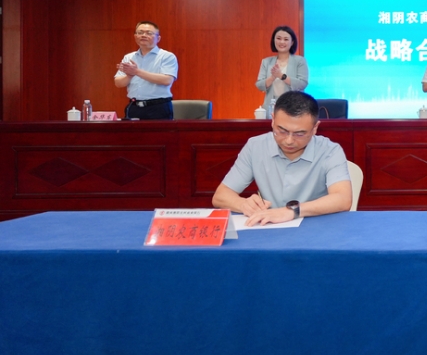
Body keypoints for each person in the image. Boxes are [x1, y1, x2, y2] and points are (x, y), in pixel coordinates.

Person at [212, 91, 353, 226]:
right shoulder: (255, 146)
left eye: (299, 134)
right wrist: (243, 204)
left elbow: (343, 199)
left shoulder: (330, 151)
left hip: (315, 227)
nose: (289, 141)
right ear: (273, 120)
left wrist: (292, 211)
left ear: (315, 128)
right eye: (282, 131)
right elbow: (220, 196)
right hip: (269, 228)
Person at [114, 21, 178, 120]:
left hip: (158, 107)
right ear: (135, 36)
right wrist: (129, 76)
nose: (143, 35)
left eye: (149, 33)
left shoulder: (167, 56)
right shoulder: (129, 57)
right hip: (134, 106)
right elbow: (118, 83)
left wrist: (136, 72)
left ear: (158, 38)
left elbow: (167, 80)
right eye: (140, 32)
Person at [256, 25, 309, 119]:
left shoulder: (300, 61)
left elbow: (302, 84)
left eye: (286, 39)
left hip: (293, 108)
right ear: (274, 40)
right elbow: (259, 85)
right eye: (278, 38)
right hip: (271, 109)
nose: (282, 42)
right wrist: (272, 77)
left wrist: (281, 76)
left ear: (292, 42)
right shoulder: (266, 62)